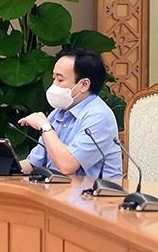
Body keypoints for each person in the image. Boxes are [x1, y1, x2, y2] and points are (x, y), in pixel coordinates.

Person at [8, 47, 122, 179]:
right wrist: (0, 167)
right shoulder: (57, 113)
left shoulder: (99, 116)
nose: (54, 85)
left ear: (84, 85)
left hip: (96, 191)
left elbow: (67, 165)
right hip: (59, 188)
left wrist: (45, 127)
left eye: (60, 80)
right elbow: (34, 164)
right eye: (54, 79)